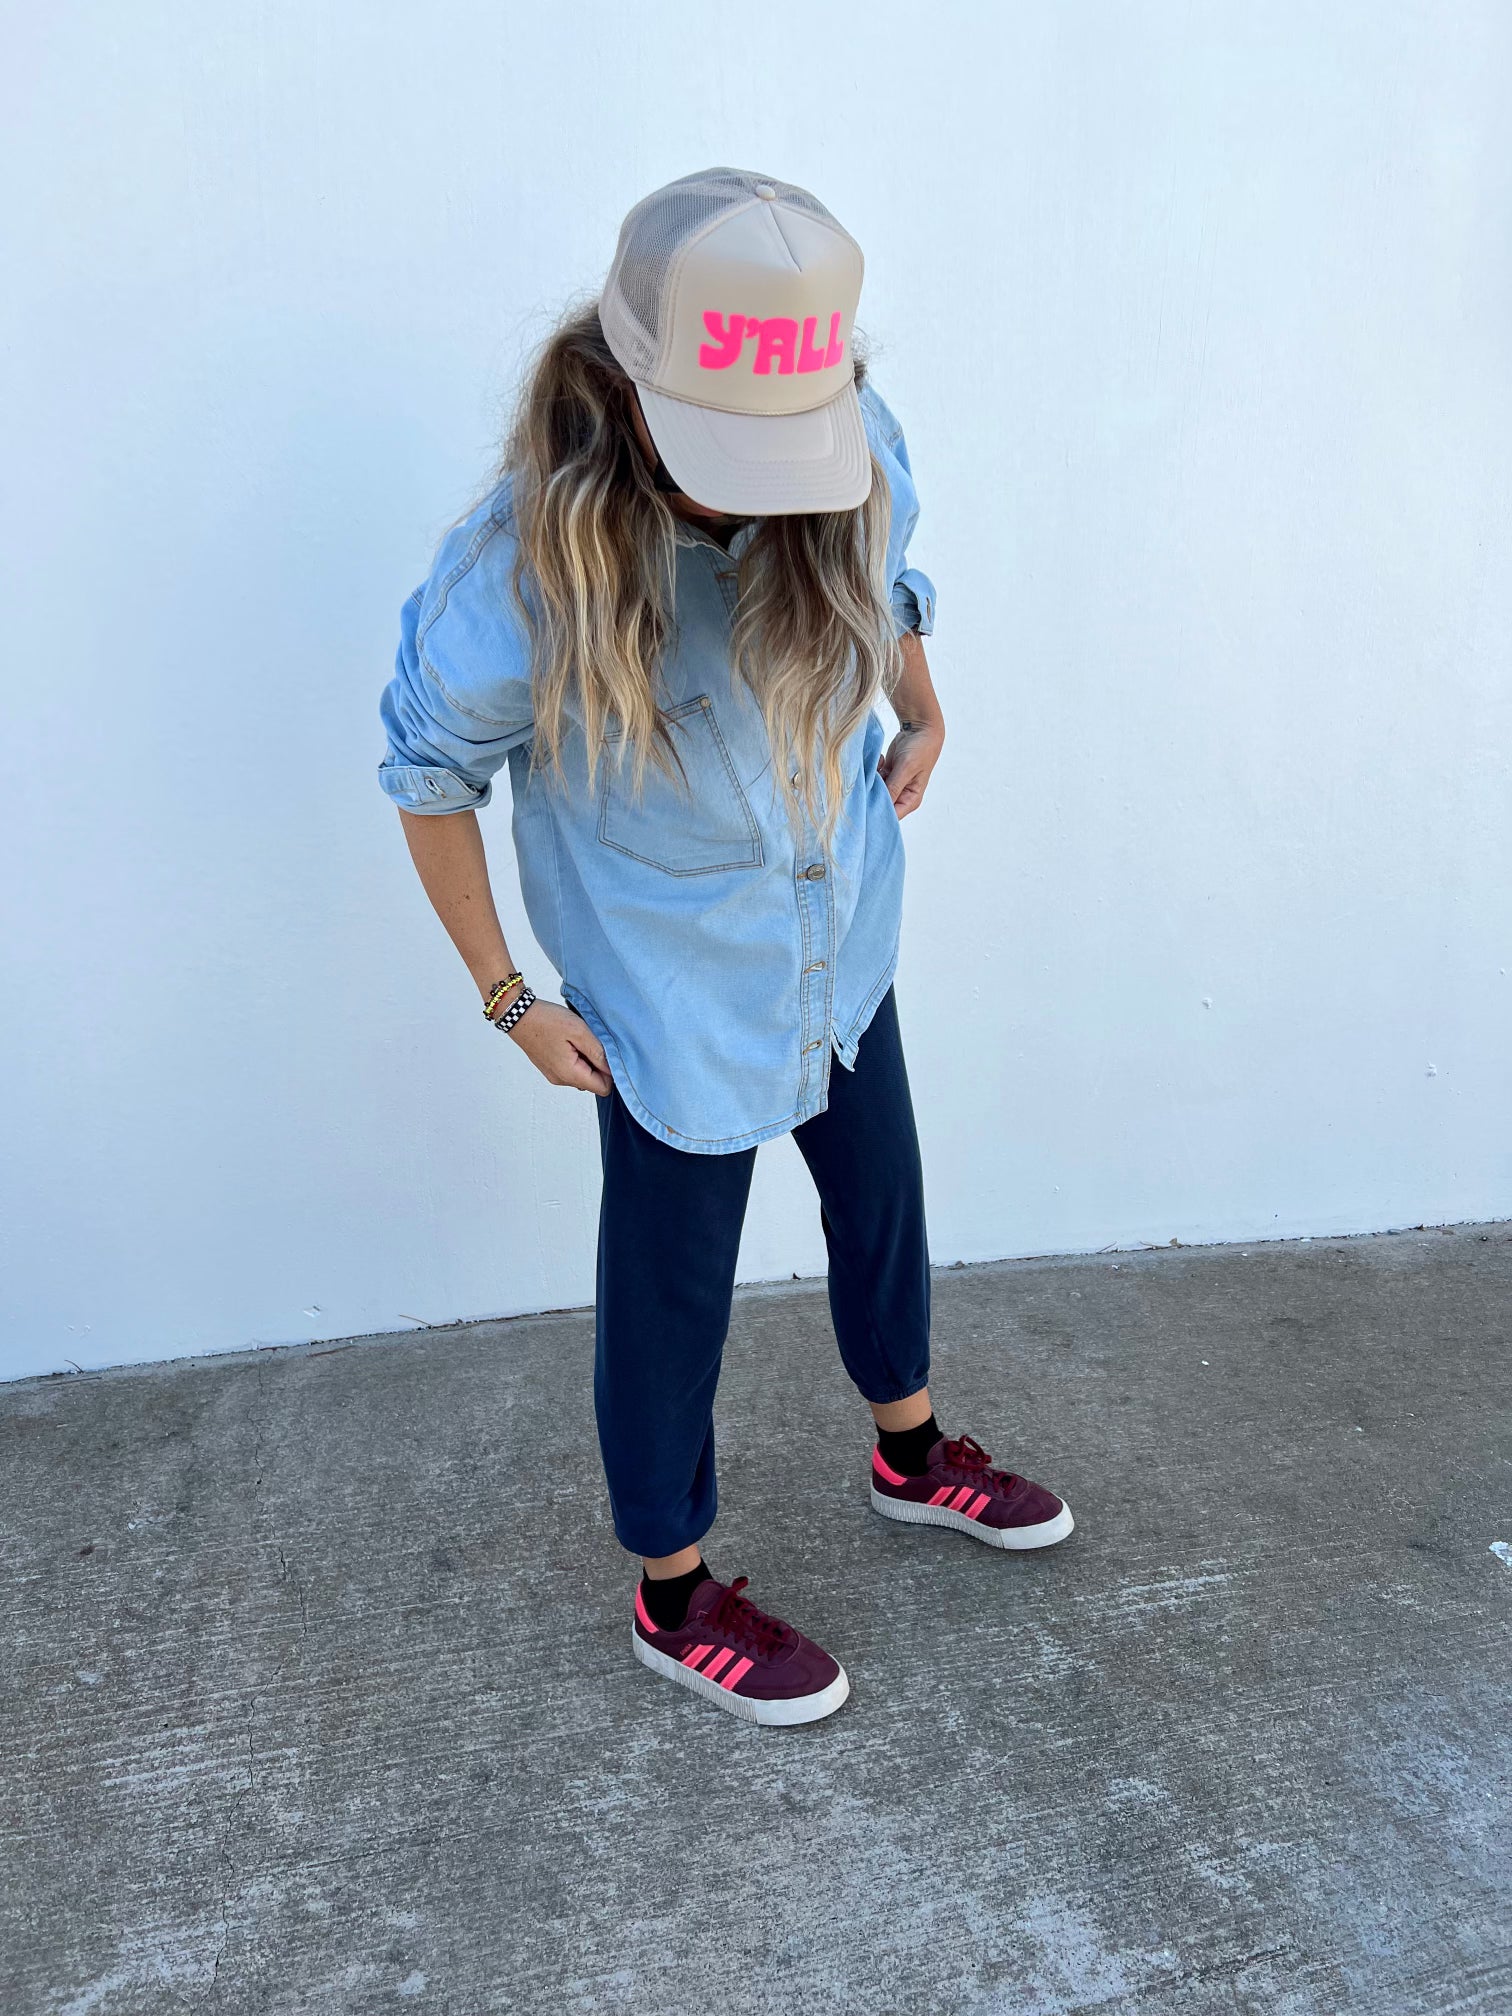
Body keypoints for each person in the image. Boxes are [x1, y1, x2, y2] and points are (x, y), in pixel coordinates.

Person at [377, 167, 1073, 1729]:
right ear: (631, 387)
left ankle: (910, 1454)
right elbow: (428, 777)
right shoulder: (515, 580)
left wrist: (921, 703)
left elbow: (887, 572)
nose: (764, 499)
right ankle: (672, 1593)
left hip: (838, 934)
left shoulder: (856, 435)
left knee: (881, 1201)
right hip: (668, 994)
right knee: (672, 1287)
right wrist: (507, 998)